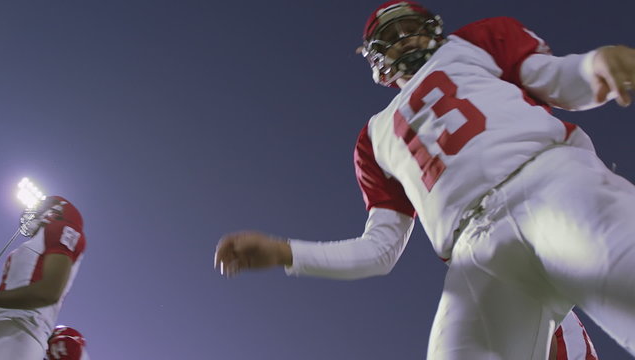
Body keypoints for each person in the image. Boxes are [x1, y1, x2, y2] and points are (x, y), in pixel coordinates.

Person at [215, 1, 635, 358]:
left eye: (412, 28)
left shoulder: (471, 44)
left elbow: (556, 78)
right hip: (472, 251)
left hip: (549, 181)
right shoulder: (374, 139)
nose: (405, 39)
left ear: (435, 30)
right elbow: (379, 250)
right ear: (377, 64)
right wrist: (288, 252)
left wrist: (593, 65)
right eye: (392, 37)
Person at [0, 196, 86, 359]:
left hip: (20, 332)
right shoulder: (35, 243)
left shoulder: (60, 228)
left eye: (41, 207)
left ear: (56, 211)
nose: (35, 211)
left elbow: (48, 292)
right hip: (5, 327)